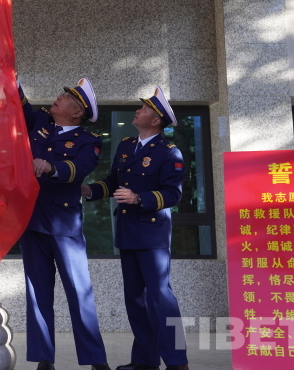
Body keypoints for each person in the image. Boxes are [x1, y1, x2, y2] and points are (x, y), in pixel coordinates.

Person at [82, 86, 189, 370]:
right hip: (128, 231)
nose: (137, 111)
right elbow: (112, 182)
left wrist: (139, 198)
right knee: (135, 300)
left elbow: (173, 194)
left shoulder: (169, 152)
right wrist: (89, 190)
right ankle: (144, 361)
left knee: (161, 298)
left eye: (144, 109)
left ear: (155, 120)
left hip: (152, 233)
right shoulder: (127, 145)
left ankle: (178, 361)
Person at [18, 78, 111, 370]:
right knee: (37, 292)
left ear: (77, 112)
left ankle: (96, 360)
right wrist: (11, 76)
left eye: (67, 97)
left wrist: (52, 167)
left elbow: (80, 168)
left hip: (63, 224)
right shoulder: (40, 121)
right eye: (62, 94)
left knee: (79, 292)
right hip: (32, 219)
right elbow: (18, 104)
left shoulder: (89, 141)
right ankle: (44, 359)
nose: (59, 97)